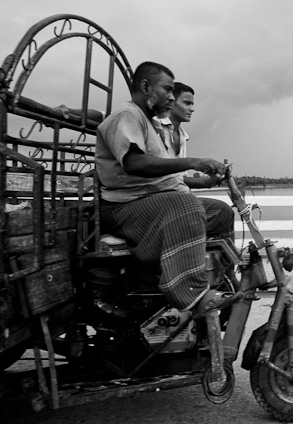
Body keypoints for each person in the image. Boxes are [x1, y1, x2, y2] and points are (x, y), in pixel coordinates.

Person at [95, 62, 240, 377]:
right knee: (184, 206)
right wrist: (192, 161)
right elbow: (134, 163)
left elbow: (169, 176)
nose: (171, 98)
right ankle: (191, 293)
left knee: (219, 212)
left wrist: (207, 176)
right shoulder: (128, 116)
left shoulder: (148, 124)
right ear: (146, 87)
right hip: (125, 207)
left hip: (152, 201)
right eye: (166, 90)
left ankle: (222, 278)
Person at [153, 82, 221, 189]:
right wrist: (204, 182)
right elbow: (159, 176)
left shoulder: (183, 136)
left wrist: (209, 181)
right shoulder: (155, 127)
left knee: (220, 206)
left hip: (174, 194)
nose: (192, 109)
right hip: (153, 195)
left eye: (192, 104)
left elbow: (180, 177)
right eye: (187, 103)